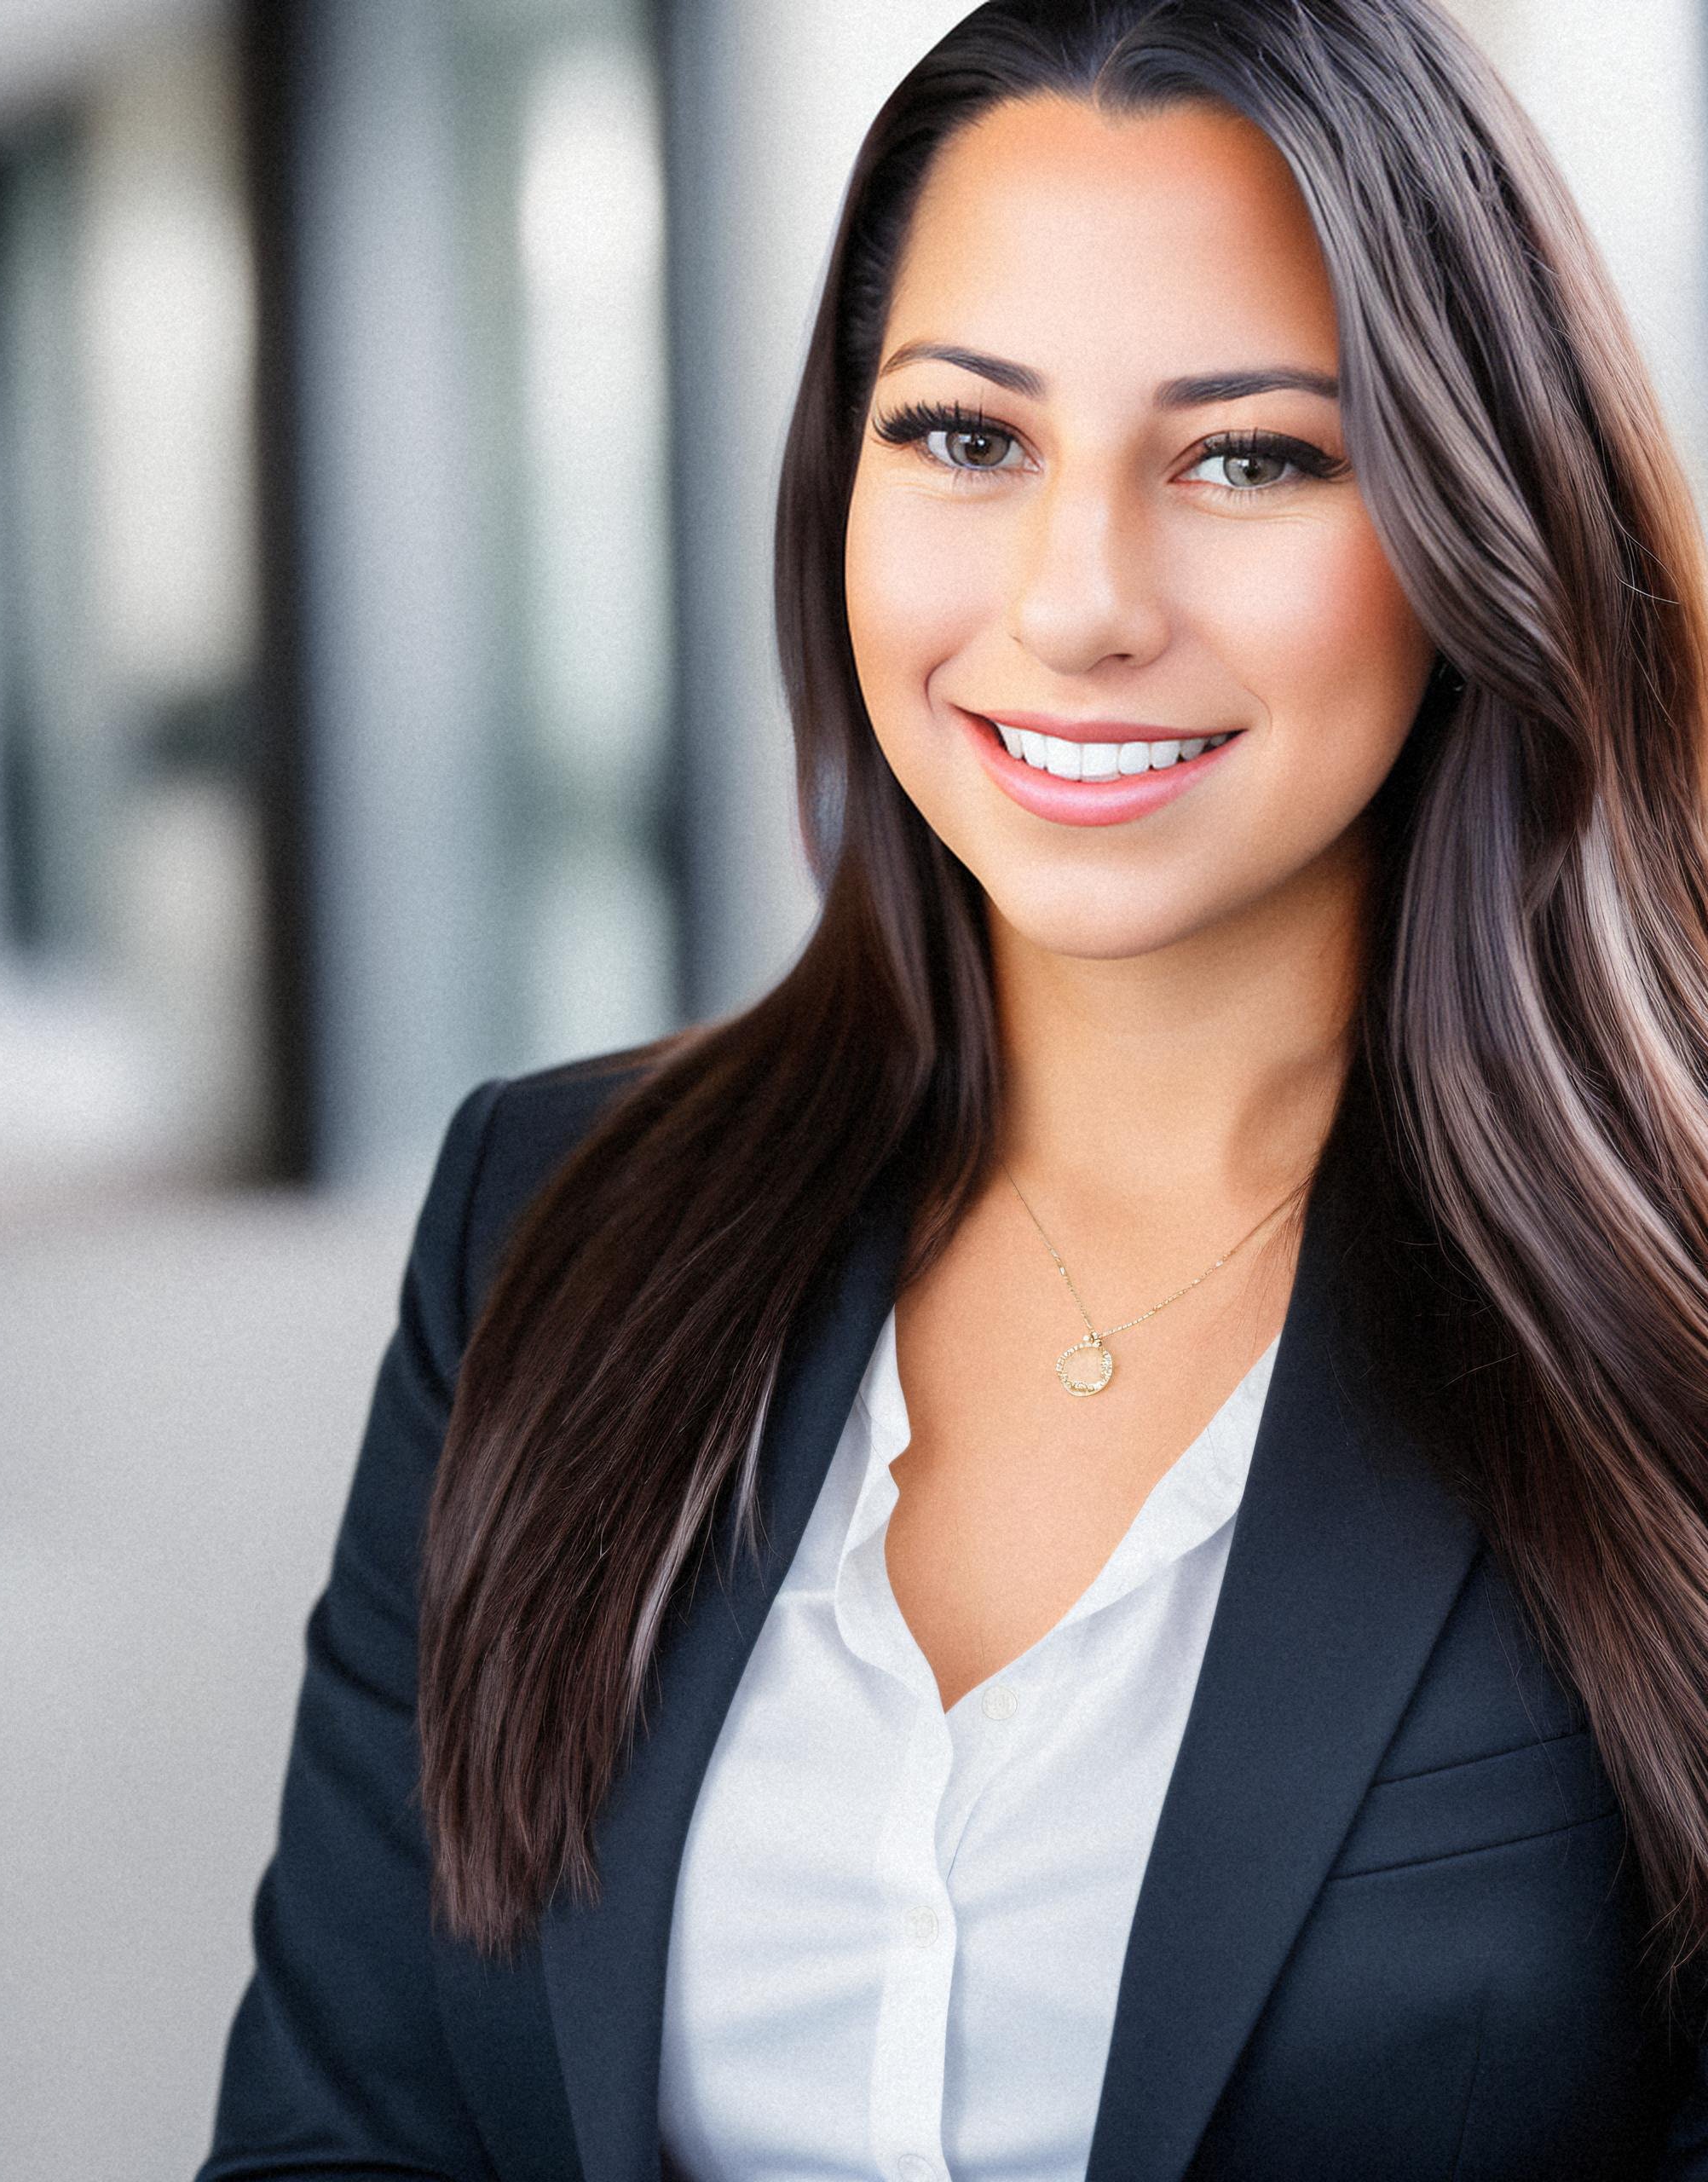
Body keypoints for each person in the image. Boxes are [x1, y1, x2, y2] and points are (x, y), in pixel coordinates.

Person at [198, 2, 1708, 2175]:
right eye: (966, 438)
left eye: (1250, 455)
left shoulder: (1660, 1302)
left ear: (1482, 514)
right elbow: (345, 2124)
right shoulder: (550, 1212)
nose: (1074, 603)